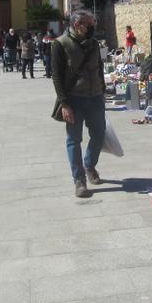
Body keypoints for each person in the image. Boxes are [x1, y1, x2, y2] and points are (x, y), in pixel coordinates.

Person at [52, 10, 106, 198]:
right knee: (74, 139)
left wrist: (103, 91)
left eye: (93, 23)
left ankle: (89, 165)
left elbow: (99, 68)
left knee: (99, 134)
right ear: (77, 25)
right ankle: (79, 179)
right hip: (74, 99)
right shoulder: (60, 44)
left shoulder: (94, 44)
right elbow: (57, 77)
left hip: (95, 97)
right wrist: (64, 104)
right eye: (89, 24)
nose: (93, 27)